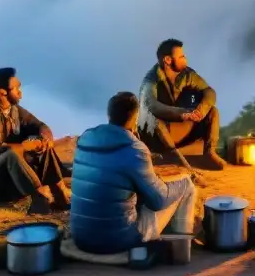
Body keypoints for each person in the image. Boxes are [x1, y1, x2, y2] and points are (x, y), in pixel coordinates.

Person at [71, 92, 199, 255]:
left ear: (109, 114)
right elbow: (158, 201)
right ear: (135, 117)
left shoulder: (84, 140)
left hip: (81, 237)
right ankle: (181, 251)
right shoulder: (134, 149)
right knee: (186, 185)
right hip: (119, 240)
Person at [0, 67, 71, 210]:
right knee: (10, 155)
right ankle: (38, 200)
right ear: (2, 93)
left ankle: (60, 196)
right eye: (16, 88)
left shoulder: (15, 110)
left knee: (43, 149)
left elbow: (40, 125)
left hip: (7, 179)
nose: (20, 92)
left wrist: (44, 139)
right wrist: (27, 146)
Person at [138, 39, 226, 171]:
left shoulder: (188, 74)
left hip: (182, 129)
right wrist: (182, 114)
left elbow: (209, 91)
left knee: (212, 111)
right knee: (153, 119)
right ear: (167, 60)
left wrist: (200, 110)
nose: (185, 59)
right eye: (181, 56)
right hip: (159, 135)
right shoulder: (151, 80)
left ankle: (209, 153)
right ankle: (161, 156)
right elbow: (152, 105)